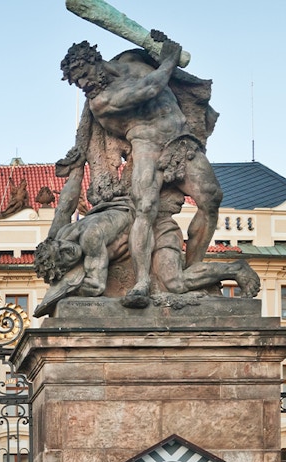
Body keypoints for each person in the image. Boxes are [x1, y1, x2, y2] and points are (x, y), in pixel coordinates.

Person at [60, 30, 221, 308]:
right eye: (77, 82)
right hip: (147, 146)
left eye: (84, 75)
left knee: (212, 199)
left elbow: (152, 67)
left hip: (182, 141)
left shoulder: (133, 61)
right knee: (144, 207)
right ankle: (142, 282)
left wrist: (156, 46)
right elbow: (150, 88)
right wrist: (168, 60)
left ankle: (193, 267)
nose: (83, 84)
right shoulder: (101, 101)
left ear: (95, 62)